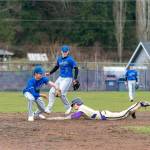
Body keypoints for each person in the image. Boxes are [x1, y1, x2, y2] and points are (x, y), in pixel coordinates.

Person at [46, 98, 150, 121]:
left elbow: (75, 116)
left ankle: (140, 104)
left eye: (73, 105)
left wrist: (63, 117)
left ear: (77, 104)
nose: (73, 107)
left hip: (106, 115)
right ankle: (134, 110)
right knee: (124, 115)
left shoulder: (81, 108)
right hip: (104, 114)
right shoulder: (82, 108)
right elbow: (81, 115)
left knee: (123, 114)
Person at [45, 45, 79, 115]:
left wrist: (75, 78)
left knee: (61, 93)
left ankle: (68, 107)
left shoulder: (70, 59)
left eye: (66, 52)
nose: (64, 53)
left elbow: (76, 68)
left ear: (68, 52)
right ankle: (49, 108)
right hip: (60, 78)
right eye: (63, 52)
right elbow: (56, 67)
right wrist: (50, 73)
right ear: (61, 52)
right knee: (51, 91)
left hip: (68, 78)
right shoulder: (59, 59)